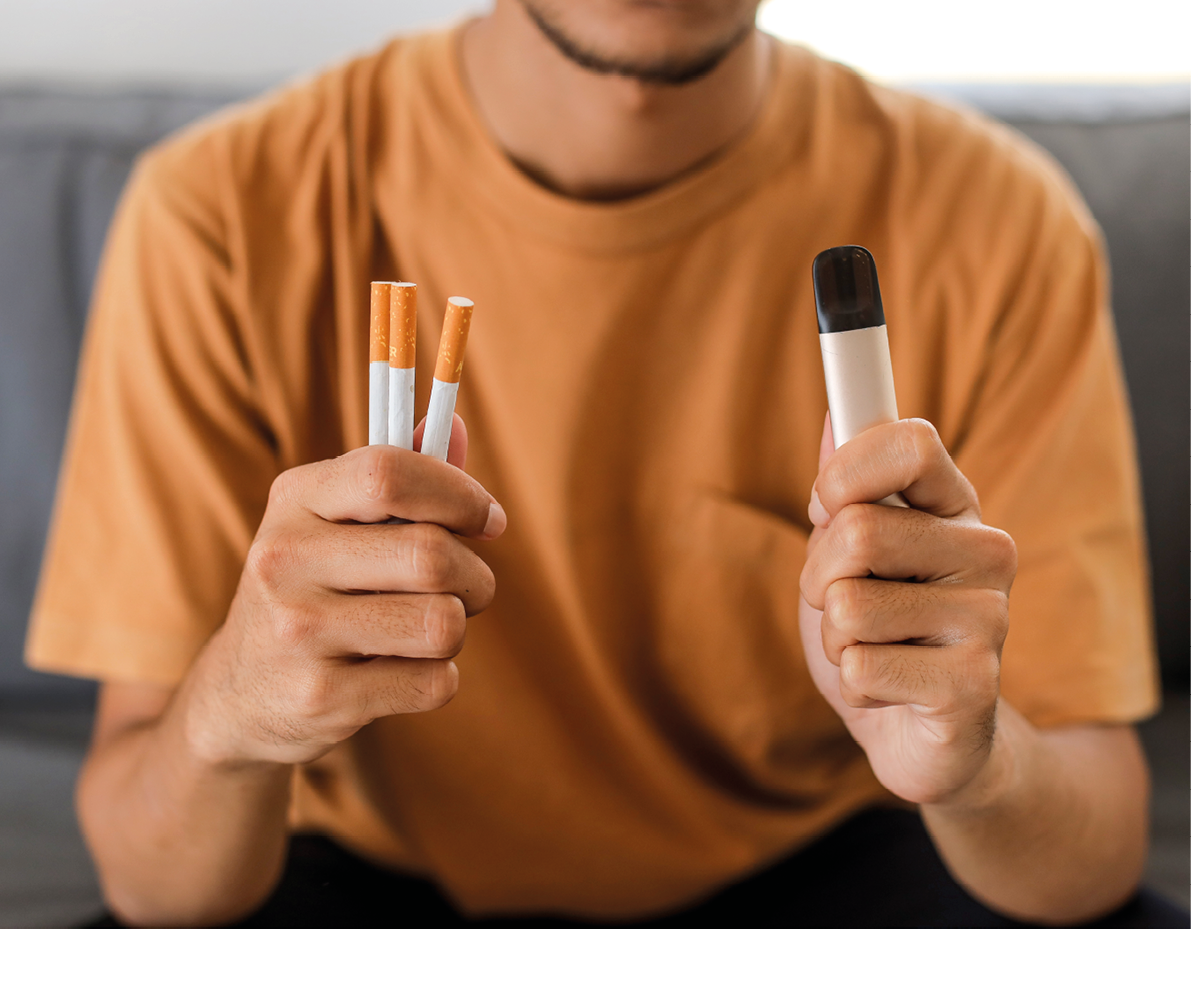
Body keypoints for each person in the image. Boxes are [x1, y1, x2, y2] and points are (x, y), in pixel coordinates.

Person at [25, 0, 1185, 928]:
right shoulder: (216, 214)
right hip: (362, 883)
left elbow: (1087, 864)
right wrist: (233, 710)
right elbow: (158, 889)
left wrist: (971, 766)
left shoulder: (1004, 222)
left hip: (841, 857)